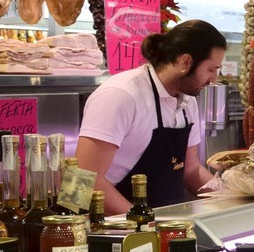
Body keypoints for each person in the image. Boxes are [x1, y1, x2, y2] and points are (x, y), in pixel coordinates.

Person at [77, 20, 225, 212]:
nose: (214, 79)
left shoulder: (188, 101)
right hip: (110, 224)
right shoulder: (120, 95)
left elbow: (191, 170)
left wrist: (232, 197)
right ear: (186, 62)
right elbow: (82, 181)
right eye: (211, 70)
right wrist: (144, 222)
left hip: (164, 223)